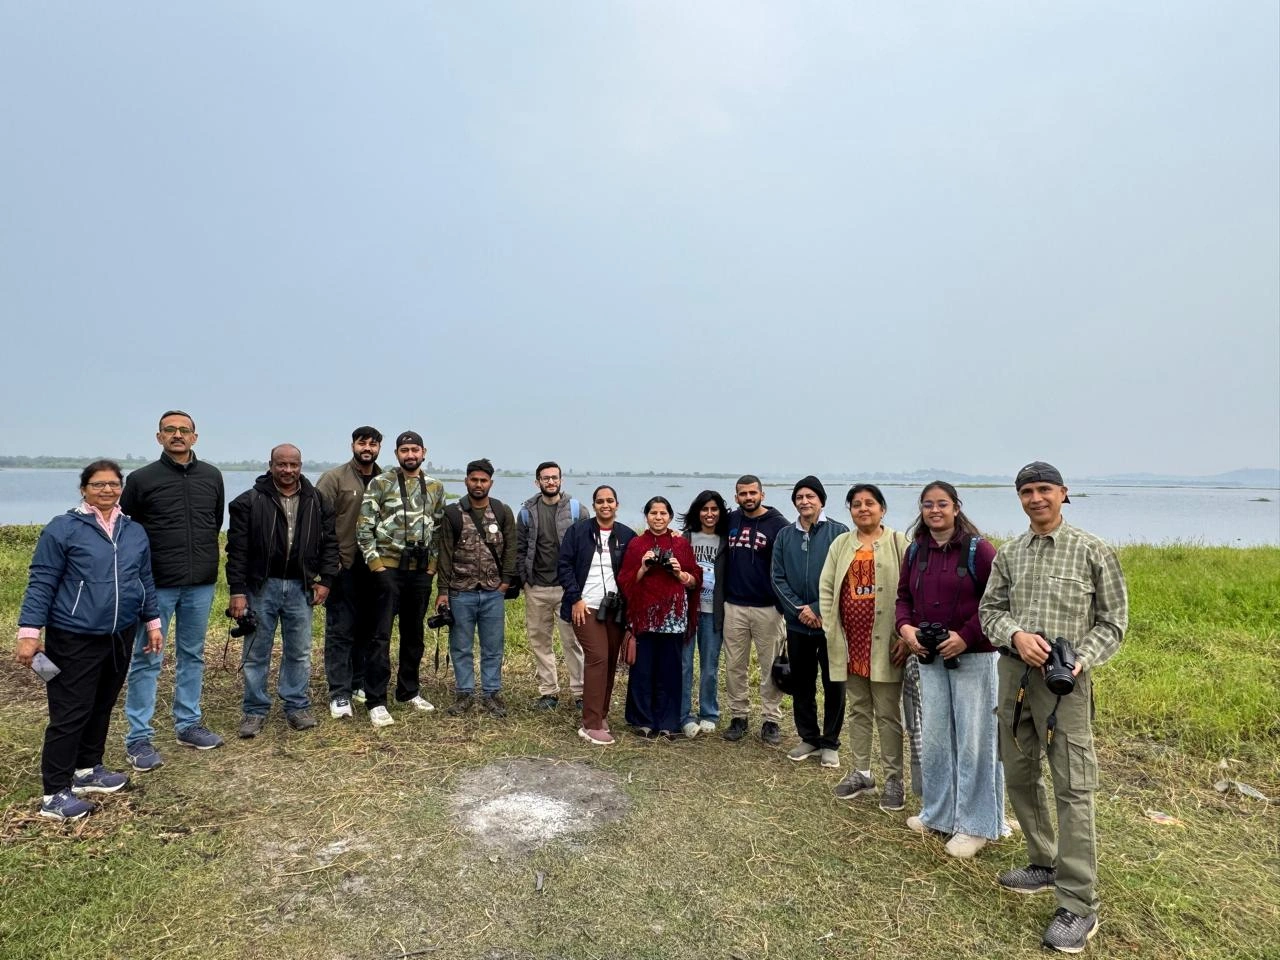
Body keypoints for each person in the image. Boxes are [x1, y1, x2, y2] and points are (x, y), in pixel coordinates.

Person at [980, 462, 1128, 954]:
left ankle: (1079, 903)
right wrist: (1016, 636)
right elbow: (990, 611)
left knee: (1073, 787)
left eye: (1044, 489)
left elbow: (1113, 621)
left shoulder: (1092, 550)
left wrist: (1081, 658)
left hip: (1066, 684)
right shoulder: (1010, 553)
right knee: (1020, 773)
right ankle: (1043, 861)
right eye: (1027, 491)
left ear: (1063, 493)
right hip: (1013, 676)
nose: (1036, 498)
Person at [15, 461, 163, 820]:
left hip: (120, 633)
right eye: (98, 484)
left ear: (121, 488)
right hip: (74, 634)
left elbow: (144, 578)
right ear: (84, 489)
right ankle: (54, 793)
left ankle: (87, 770)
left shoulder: (133, 531)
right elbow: (42, 581)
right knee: (70, 711)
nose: (107, 490)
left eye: (113, 484)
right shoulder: (63, 529)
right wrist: (29, 632)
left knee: (102, 703)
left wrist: (153, 622)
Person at [896, 480, 1004, 858]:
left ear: (957, 508)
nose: (935, 510)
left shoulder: (979, 550)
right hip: (930, 658)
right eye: (928, 504)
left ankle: (976, 825)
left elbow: (999, 602)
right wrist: (906, 630)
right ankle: (939, 814)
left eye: (942, 504)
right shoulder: (916, 550)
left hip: (974, 658)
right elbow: (903, 598)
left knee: (975, 740)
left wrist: (966, 636)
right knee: (937, 738)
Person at [120, 410, 226, 771]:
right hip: (155, 585)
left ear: (195, 437)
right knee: (147, 656)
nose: (177, 435)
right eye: (170, 430)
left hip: (200, 583)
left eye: (184, 430)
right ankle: (139, 737)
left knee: (192, 654)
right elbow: (128, 531)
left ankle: (188, 724)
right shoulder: (141, 479)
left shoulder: (211, 475)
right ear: (159, 437)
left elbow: (215, 521)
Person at [227, 444, 338, 738]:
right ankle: (254, 709)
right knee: (255, 651)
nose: (288, 470)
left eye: (294, 465)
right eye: (282, 464)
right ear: (271, 465)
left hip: (302, 585)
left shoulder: (317, 500)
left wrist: (326, 580)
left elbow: (330, 543)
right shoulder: (249, 501)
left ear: (300, 466)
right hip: (262, 586)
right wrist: (237, 590)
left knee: (299, 652)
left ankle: (296, 706)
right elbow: (236, 551)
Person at [818, 483, 910, 811]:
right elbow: (827, 587)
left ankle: (894, 779)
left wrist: (906, 637)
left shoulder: (899, 543)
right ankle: (861, 772)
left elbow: (912, 591)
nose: (863, 509)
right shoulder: (841, 544)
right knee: (858, 709)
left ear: (882, 509)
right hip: (850, 643)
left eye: (870, 503)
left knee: (887, 713)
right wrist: (832, 630)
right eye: (856, 504)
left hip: (887, 644)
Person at [355, 430, 445, 727]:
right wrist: (377, 567)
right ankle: (376, 700)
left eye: (415, 450)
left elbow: (439, 531)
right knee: (379, 636)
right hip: (387, 569)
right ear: (396, 454)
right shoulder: (381, 483)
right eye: (404, 450)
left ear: (423, 452)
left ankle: (409, 691)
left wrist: (432, 567)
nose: (410, 455)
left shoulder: (435, 487)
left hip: (420, 572)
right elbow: (364, 528)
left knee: (414, 635)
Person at [771, 476, 849, 768]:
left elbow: (845, 579)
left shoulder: (839, 533)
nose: (804, 502)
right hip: (797, 624)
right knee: (802, 683)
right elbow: (777, 577)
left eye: (810, 496)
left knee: (834, 683)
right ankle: (809, 737)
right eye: (799, 497)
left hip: (830, 624)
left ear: (821, 501)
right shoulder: (784, 536)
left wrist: (818, 609)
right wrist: (800, 610)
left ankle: (830, 742)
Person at [436, 458, 517, 718]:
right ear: (466, 481)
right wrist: (443, 591)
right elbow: (445, 553)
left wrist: (505, 582)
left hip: (493, 591)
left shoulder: (502, 511)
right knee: (461, 646)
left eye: (483, 480)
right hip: (461, 591)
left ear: (491, 483)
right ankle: (465, 693)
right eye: (474, 480)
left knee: (493, 646)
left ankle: (491, 692)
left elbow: (511, 548)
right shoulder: (452, 513)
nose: (478, 484)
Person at [558, 485, 637, 745]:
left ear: (617, 505)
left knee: (611, 660)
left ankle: (602, 714)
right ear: (594, 506)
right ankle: (590, 724)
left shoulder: (626, 535)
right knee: (598, 658)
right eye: (600, 501)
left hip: (615, 609)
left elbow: (634, 570)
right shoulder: (578, 532)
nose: (605, 505)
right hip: (585, 607)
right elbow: (564, 566)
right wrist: (575, 598)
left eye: (610, 500)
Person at [618, 496, 701, 738]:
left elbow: (695, 579)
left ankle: (668, 722)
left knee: (670, 670)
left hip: (672, 617)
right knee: (643, 670)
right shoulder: (636, 544)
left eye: (663, 513)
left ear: (670, 517)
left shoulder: (680, 544)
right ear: (646, 516)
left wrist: (679, 573)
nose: (658, 517)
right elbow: (625, 581)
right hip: (643, 616)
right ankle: (643, 720)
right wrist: (643, 567)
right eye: (653, 513)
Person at [316, 426, 383, 720]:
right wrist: (327, 566)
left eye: (372, 444)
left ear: (379, 448)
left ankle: (358, 683)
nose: (367, 448)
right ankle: (339, 692)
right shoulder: (334, 478)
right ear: (353, 445)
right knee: (340, 632)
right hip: (343, 566)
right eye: (362, 443)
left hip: (376, 568)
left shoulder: (386, 480)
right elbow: (318, 523)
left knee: (367, 631)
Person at [720, 475, 789, 745]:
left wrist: (783, 604)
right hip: (734, 605)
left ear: (762, 494)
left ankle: (771, 719)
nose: (748, 498)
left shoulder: (778, 525)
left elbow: (786, 565)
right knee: (734, 665)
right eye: (743, 494)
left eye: (752, 493)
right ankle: (739, 716)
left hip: (767, 608)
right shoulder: (731, 520)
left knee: (770, 666)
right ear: (736, 497)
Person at [516, 461, 586, 711]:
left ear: (561, 480)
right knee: (540, 642)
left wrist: (578, 586)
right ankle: (548, 692)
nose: (551, 482)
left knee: (573, 642)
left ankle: (581, 693)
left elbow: (586, 549)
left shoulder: (576, 509)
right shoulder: (526, 512)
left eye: (554, 477)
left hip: (567, 589)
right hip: (536, 587)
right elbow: (520, 548)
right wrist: (525, 579)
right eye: (545, 478)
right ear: (537, 482)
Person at [677, 490, 728, 738]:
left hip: (713, 612)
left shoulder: (726, 540)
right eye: (705, 509)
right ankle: (684, 715)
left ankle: (709, 712)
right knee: (684, 664)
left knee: (709, 666)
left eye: (714, 509)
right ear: (697, 512)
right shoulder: (686, 538)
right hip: (688, 611)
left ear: (720, 512)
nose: (709, 514)